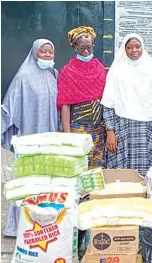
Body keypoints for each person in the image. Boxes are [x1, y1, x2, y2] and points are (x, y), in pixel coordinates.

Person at [1, 39, 58, 237]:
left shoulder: (54, 74)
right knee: (26, 181)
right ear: (35, 53)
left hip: (50, 137)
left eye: (51, 52)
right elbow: (10, 106)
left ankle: (44, 223)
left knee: (48, 180)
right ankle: (18, 226)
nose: (48, 55)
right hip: (29, 136)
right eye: (43, 52)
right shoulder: (23, 77)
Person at [101, 33, 152, 176]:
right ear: (124, 49)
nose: (134, 50)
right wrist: (110, 131)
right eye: (129, 47)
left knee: (145, 172)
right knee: (121, 172)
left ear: (143, 47)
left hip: (146, 129)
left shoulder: (151, 68)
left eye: (137, 46)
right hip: (122, 127)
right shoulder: (117, 70)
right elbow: (108, 102)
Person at [57, 26, 107, 169]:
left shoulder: (99, 68)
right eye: (81, 48)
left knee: (97, 168)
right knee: (78, 166)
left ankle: (95, 193)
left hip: (98, 128)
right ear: (75, 48)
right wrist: (67, 133)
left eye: (89, 48)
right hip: (77, 128)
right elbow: (65, 104)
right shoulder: (67, 71)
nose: (85, 52)